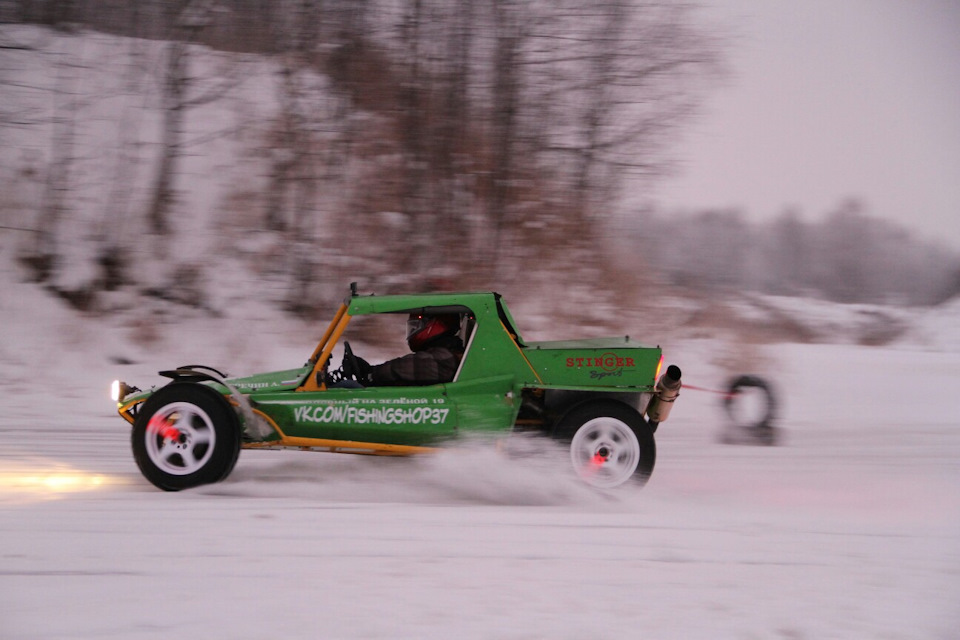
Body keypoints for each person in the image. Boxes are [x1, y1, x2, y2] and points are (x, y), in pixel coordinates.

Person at [347, 313, 465, 387]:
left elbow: (404, 367)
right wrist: (370, 370)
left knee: (347, 386)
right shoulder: (443, 351)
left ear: (435, 325)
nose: (413, 331)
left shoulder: (444, 357)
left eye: (416, 326)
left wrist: (372, 374)